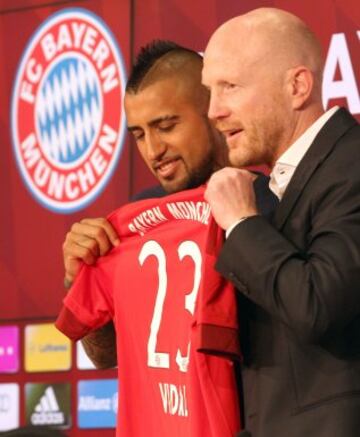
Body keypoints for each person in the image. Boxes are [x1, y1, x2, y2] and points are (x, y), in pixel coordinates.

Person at [62, 40, 277, 370]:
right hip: (171, 420)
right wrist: (79, 276)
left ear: (212, 110)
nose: (153, 150)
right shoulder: (140, 218)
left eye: (166, 127)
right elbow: (106, 355)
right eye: (139, 135)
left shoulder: (268, 203)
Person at [202, 7, 360, 437]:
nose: (214, 111)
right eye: (209, 92)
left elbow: (317, 302)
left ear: (297, 86)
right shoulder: (269, 191)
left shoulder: (352, 163)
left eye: (230, 86)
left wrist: (241, 224)